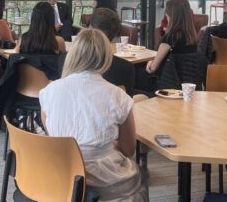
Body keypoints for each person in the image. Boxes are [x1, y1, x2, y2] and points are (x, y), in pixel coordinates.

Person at [39, 29, 148, 201]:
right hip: (102, 182)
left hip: (59, 176)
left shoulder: (48, 91)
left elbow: (53, 133)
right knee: (140, 177)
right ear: (106, 57)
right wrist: (106, 144)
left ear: (73, 54)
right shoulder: (118, 96)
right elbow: (128, 149)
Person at [146, 0, 202, 88]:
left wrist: (149, 63)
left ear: (170, 16)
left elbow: (153, 68)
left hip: (169, 89)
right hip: (190, 90)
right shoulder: (193, 38)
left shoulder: (169, 38)